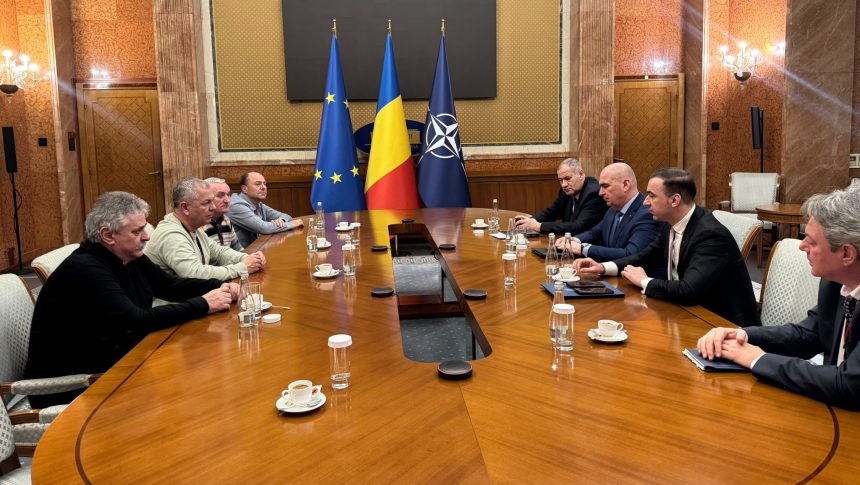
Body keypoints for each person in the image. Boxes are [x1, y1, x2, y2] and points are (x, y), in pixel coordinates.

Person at [24, 191, 237, 407]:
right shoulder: (86, 268)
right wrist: (204, 304)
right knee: (190, 394)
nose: (146, 236)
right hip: (79, 386)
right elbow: (135, 320)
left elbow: (169, 286)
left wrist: (220, 286)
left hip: (122, 362)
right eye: (137, 231)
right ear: (108, 235)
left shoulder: (129, 256)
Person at [697, 186, 860, 410]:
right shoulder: (835, 281)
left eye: (812, 242)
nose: (801, 246)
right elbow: (810, 334)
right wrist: (743, 335)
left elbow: (851, 384)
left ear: (847, 254)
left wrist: (758, 359)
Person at [575, 167, 758, 325]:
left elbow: (688, 290)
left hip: (721, 325)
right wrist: (603, 267)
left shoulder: (710, 235)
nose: (645, 202)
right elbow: (644, 257)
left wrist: (644, 281)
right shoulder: (670, 223)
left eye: (652, 196)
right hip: (684, 313)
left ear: (675, 200)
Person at [145, 178, 266, 281]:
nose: (213, 207)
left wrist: (247, 258)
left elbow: (219, 252)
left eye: (212, 201)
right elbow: (195, 274)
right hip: (171, 300)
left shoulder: (193, 228)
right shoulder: (171, 235)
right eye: (207, 203)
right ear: (185, 207)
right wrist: (242, 267)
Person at [558, 162, 663, 266]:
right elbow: (594, 233)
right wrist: (573, 240)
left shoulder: (647, 214)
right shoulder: (613, 208)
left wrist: (583, 249)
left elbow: (631, 254)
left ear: (625, 185)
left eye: (605, 186)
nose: (600, 193)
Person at [513, 158, 607, 235]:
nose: (563, 185)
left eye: (567, 178)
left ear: (581, 174)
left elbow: (578, 227)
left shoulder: (593, 193)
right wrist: (531, 221)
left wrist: (538, 226)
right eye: (560, 180)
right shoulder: (567, 190)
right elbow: (553, 211)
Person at [228, 172, 304, 247]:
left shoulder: (258, 204)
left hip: (256, 249)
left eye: (264, 184)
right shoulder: (236, 206)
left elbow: (286, 216)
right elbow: (264, 228)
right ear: (245, 189)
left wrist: (281, 221)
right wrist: (291, 224)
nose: (263, 187)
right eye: (258, 184)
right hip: (241, 253)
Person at [203, 177, 243, 251]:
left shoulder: (225, 219)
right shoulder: (198, 225)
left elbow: (238, 249)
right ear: (206, 199)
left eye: (228, 195)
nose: (227, 200)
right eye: (220, 196)